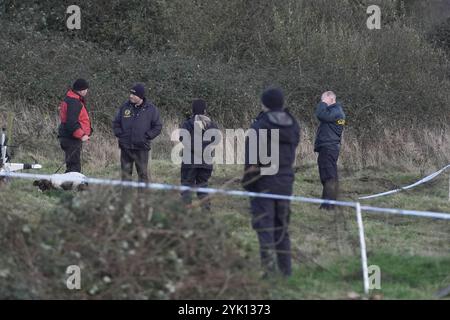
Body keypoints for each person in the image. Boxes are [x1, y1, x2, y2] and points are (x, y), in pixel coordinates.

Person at [242, 88, 300, 277]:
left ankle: (268, 271)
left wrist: (248, 184)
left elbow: (251, 162)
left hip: (263, 182)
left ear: (265, 104)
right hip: (285, 182)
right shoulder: (293, 125)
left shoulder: (259, 126)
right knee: (281, 226)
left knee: (264, 227)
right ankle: (286, 271)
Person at [113, 83, 162, 183]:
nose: (130, 96)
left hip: (141, 148)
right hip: (125, 147)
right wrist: (120, 134)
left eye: (133, 94)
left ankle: (142, 198)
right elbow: (116, 123)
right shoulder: (124, 107)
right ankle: (126, 198)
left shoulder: (151, 109)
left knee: (143, 175)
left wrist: (147, 136)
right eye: (130, 93)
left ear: (140, 96)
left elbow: (158, 126)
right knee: (125, 175)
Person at [179, 99, 218, 211]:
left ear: (193, 110)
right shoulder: (212, 125)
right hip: (206, 162)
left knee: (186, 187)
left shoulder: (187, 124)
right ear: (205, 111)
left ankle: (185, 212)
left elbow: (182, 138)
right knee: (203, 186)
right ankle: (206, 212)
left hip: (189, 161)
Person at [314, 91, 346, 210]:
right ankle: (327, 203)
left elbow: (320, 115)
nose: (322, 102)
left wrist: (323, 103)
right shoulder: (335, 112)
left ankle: (329, 205)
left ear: (331, 99)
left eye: (324, 99)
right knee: (327, 175)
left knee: (329, 176)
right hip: (328, 147)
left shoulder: (336, 111)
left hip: (329, 147)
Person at [57, 78, 92, 173]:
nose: (87, 91)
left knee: (72, 165)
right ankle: (69, 186)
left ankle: (68, 185)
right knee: (74, 167)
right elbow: (71, 123)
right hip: (71, 138)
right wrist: (82, 135)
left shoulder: (72, 99)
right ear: (81, 90)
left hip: (70, 137)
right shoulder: (74, 102)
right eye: (86, 89)